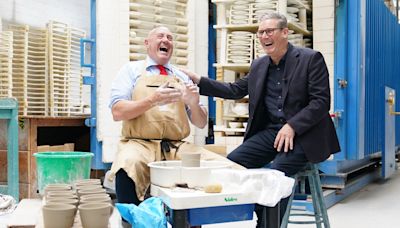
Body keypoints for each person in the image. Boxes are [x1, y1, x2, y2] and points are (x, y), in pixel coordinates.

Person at [182, 12, 340, 227]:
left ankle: (267, 225)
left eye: (269, 31)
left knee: (277, 173)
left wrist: (292, 126)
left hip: (306, 135)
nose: (264, 36)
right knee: (233, 163)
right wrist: (198, 80)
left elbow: (321, 102)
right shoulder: (259, 65)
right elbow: (235, 90)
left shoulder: (310, 59)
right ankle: (259, 212)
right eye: (260, 33)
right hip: (272, 133)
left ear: (285, 32)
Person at [108, 26, 236, 212]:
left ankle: (191, 220)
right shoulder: (131, 70)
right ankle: (133, 220)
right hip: (139, 143)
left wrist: (193, 103)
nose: (166, 40)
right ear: (147, 43)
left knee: (223, 167)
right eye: (160, 36)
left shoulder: (182, 76)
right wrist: (152, 100)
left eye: (170, 37)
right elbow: (117, 112)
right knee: (128, 162)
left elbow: (200, 123)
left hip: (176, 145)